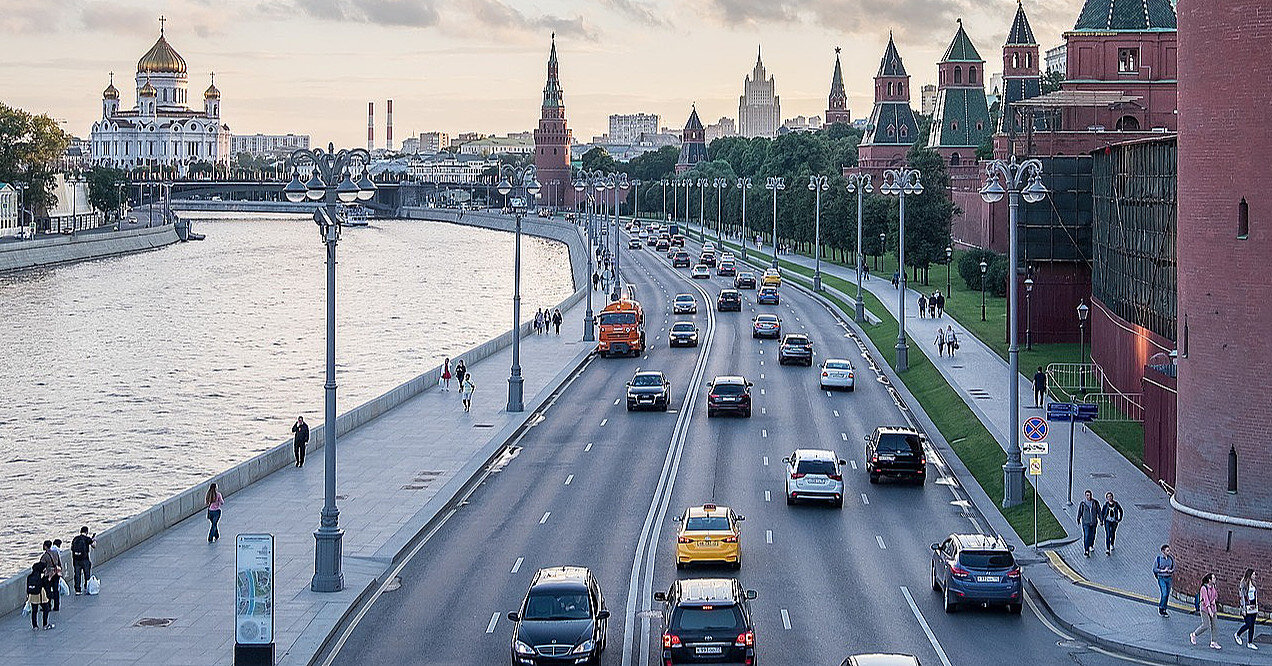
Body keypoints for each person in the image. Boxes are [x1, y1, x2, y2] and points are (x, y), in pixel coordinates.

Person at [1190, 573, 1221, 650]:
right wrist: (1209, 609)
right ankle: (1194, 634)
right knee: (1206, 625)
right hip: (1204, 609)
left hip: (1213, 608)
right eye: (1213, 578)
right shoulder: (1204, 588)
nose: (1215, 579)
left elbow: (1216, 595)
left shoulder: (1213, 587)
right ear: (1209, 580)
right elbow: (1206, 600)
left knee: (1215, 625)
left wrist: (1214, 600)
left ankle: (1214, 642)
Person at [1236, 569, 1258, 648]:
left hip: (1253, 606)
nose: (1254, 576)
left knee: (1252, 625)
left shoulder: (1254, 583)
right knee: (1248, 624)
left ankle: (1250, 642)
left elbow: (1255, 595)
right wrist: (1243, 609)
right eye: (1253, 575)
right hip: (1246, 606)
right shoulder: (1243, 583)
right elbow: (1241, 596)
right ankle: (1238, 634)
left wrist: (1256, 605)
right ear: (1250, 575)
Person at [26, 562, 52, 630]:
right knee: (46, 609)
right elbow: (45, 585)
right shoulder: (41, 576)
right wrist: (48, 578)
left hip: (32, 596)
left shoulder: (30, 576)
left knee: (34, 611)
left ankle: (35, 626)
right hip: (40, 595)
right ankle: (45, 625)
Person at [70, 526, 95, 595]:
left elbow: (72, 548)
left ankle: (78, 590)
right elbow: (94, 546)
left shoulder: (75, 539)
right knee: (87, 574)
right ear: (87, 532)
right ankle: (87, 588)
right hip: (85, 559)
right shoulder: (87, 539)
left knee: (77, 574)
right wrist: (94, 540)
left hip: (76, 560)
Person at [39, 540, 62, 611]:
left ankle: (48, 605)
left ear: (45, 546)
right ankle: (56, 606)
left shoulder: (44, 556)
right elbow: (59, 563)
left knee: (47, 590)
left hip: (49, 574)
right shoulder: (55, 553)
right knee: (56, 590)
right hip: (56, 573)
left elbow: (41, 566)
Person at [1154, 544, 1175, 617]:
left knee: (1167, 594)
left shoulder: (1171, 559)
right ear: (1163, 551)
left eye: (1169, 550)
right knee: (1164, 593)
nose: (1169, 552)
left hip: (1168, 578)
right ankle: (1161, 608)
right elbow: (1155, 569)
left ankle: (1164, 609)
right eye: (1167, 550)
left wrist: (1170, 571)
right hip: (1161, 578)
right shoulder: (1158, 559)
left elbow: (1173, 567)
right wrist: (1163, 571)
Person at [1077, 490, 1100, 557]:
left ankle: (1091, 545)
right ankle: (1086, 550)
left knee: (1092, 535)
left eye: (1089, 495)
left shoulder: (1095, 502)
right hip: (1086, 523)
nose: (1088, 497)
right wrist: (1078, 519)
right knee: (1086, 535)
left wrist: (1101, 519)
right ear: (1085, 496)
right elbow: (1080, 512)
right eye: (1087, 495)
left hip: (1093, 522)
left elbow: (1099, 511)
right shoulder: (1083, 504)